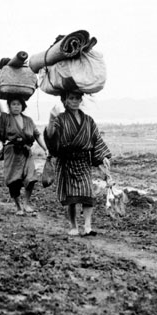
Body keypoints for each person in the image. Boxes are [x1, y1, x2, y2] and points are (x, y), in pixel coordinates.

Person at [45, 88, 111, 236]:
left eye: (77, 98)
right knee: (72, 198)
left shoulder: (88, 120)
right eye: (71, 98)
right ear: (64, 100)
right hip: (67, 161)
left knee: (88, 194)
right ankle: (73, 226)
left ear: (81, 100)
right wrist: (51, 119)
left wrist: (103, 157)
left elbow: (96, 139)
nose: (74, 101)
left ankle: (87, 226)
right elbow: (51, 137)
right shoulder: (60, 119)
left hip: (83, 161)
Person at [0, 97, 48, 215]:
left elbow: (37, 135)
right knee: (13, 180)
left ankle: (26, 203)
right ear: (9, 106)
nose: (16, 106)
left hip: (26, 152)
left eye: (18, 104)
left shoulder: (28, 120)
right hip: (12, 152)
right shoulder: (5, 118)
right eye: (13, 104)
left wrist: (45, 148)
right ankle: (18, 207)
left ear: (23, 106)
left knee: (31, 178)